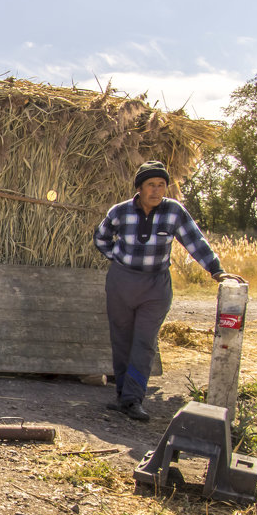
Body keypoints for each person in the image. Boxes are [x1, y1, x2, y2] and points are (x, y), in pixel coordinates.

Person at [93, 160, 240, 421]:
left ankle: (133, 399)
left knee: (145, 341)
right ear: (139, 188)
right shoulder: (120, 211)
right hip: (122, 282)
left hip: (155, 286)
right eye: (151, 185)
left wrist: (216, 270)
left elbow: (194, 240)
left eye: (161, 185)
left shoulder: (174, 212)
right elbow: (101, 237)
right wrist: (118, 256)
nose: (157, 190)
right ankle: (122, 395)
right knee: (122, 339)